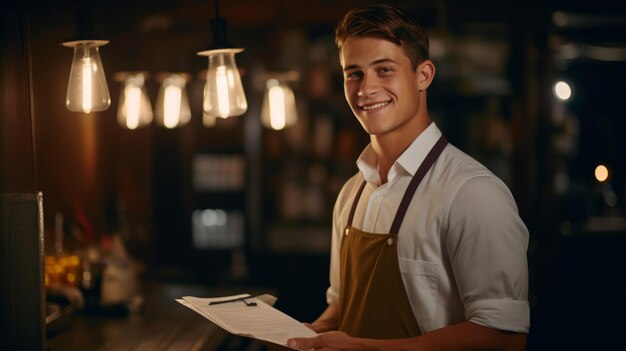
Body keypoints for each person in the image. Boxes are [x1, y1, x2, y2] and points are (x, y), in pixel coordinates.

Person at [285, 4, 530, 351]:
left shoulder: (473, 192)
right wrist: (305, 337)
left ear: (423, 75)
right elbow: (343, 308)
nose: (365, 89)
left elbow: (504, 337)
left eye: (384, 69)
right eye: (353, 73)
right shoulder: (351, 194)